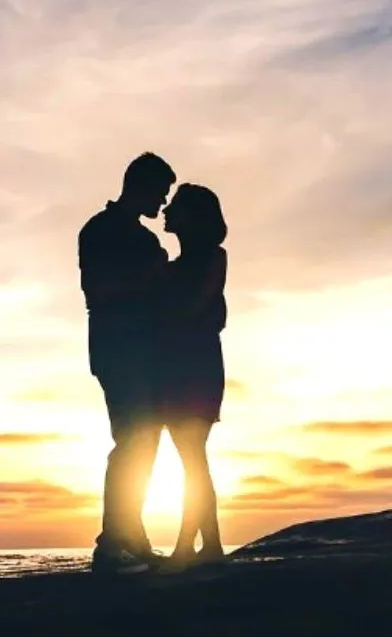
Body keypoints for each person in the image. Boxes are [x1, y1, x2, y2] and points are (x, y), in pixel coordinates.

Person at [78, 152, 176, 574]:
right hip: (119, 350)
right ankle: (113, 542)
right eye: (161, 192)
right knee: (132, 441)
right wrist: (153, 277)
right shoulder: (100, 230)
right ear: (141, 185)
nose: (164, 202)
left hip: (145, 352)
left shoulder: (144, 238)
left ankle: (128, 536)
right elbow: (97, 291)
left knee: (143, 442)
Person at [158, 183, 228, 572]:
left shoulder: (213, 257)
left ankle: (191, 544)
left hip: (195, 367)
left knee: (192, 456)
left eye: (176, 206)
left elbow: (195, 309)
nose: (166, 210)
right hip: (176, 366)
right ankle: (209, 543)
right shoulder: (168, 267)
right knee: (191, 458)